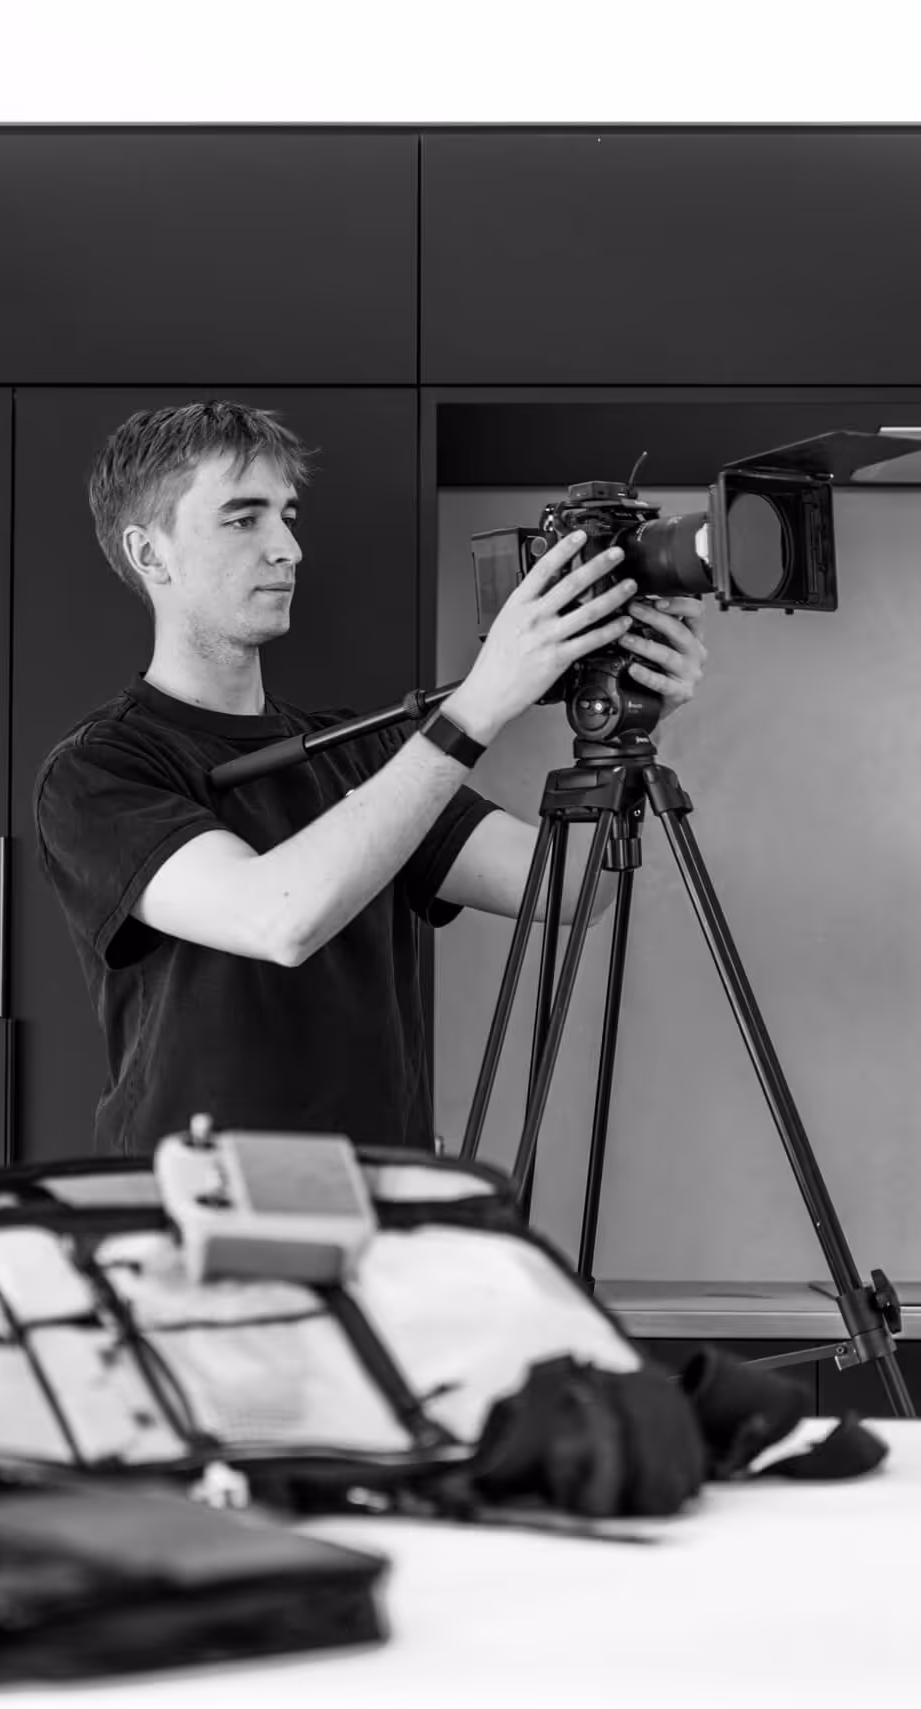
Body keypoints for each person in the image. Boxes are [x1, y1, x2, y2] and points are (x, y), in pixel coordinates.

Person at [35, 402, 706, 1159]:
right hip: (194, 1209)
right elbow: (280, 919)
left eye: (287, 515)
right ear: (150, 555)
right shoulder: (99, 770)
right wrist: (477, 707)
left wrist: (627, 731)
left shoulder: (363, 755)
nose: (287, 547)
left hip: (375, 1193)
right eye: (241, 518)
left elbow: (568, 892)